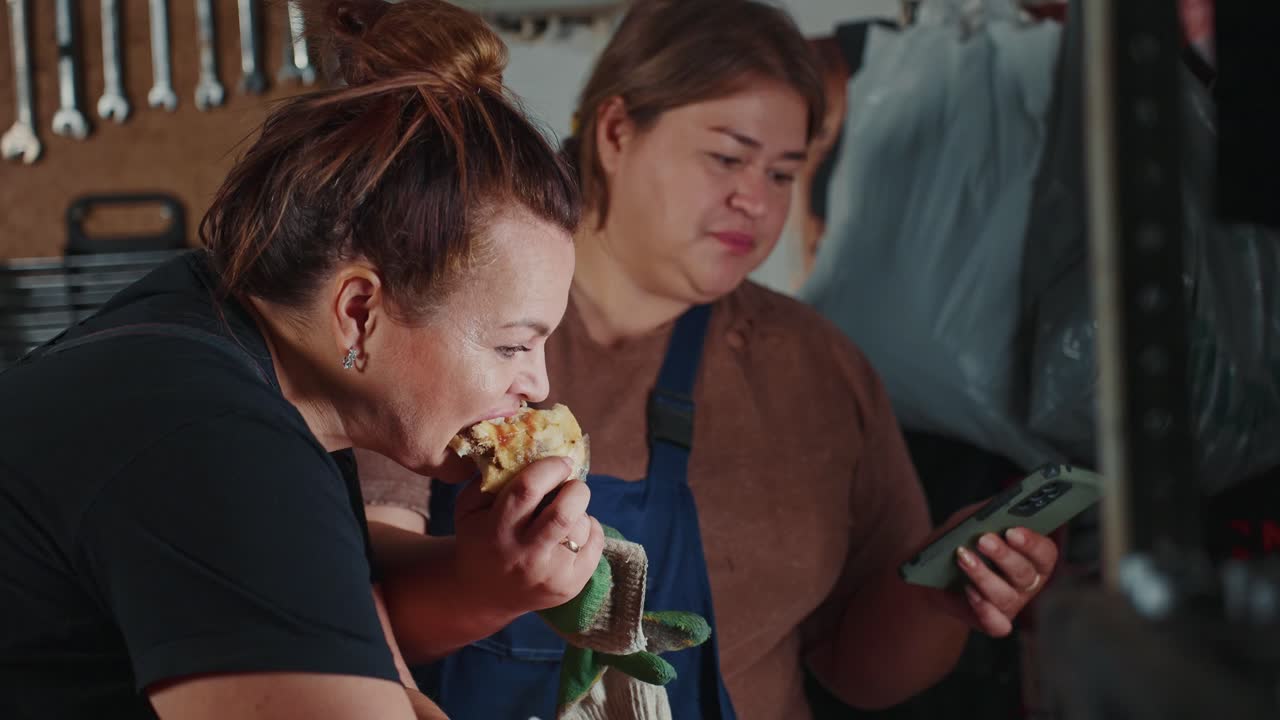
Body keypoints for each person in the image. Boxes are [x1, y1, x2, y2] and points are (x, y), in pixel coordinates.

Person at [358, 1, 1062, 719]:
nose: (755, 200)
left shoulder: (816, 367)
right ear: (616, 130)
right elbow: (358, 618)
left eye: (785, 174)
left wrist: (942, 592)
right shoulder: (451, 313)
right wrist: (497, 586)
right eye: (727, 157)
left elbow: (859, 673)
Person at [0, 1, 607, 718]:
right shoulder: (214, 445)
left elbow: (337, 638)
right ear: (358, 312)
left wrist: (490, 581)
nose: (536, 384)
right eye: (512, 344)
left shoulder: (230, 345)